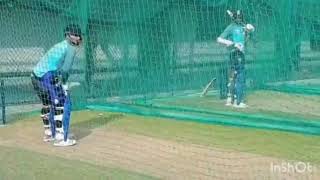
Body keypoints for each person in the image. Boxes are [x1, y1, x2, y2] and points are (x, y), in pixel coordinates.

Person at [31, 24, 82, 146]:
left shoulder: (61, 44)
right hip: (47, 76)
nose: (78, 38)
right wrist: (63, 83)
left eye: (79, 35)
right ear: (69, 36)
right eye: (76, 35)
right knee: (62, 103)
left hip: (35, 76)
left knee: (48, 103)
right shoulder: (70, 47)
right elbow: (66, 69)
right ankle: (60, 137)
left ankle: (49, 133)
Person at [217, 10, 254, 108]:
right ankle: (239, 101)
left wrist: (248, 33)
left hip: (241, 54)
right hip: (235, 54)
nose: (239, 19)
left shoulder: (243, 27)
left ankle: (231, 100)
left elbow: (244, 41)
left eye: (240, 17)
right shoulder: (231, 27)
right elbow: (219, 39)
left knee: (234, 76)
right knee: (239, 76)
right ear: (235, 17)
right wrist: (232, 44)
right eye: (237, 17)